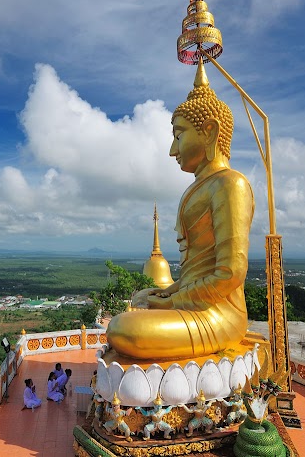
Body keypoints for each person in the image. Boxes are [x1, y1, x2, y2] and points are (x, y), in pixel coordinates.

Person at [107, 60, 254, 360]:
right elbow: (193, 273)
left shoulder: (231, 184)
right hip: (193, 304)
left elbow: (230, 274)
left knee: (125, 329)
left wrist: (175, 301)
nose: (173, 149)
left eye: (179, 135)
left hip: (219, 314)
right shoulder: (199, 188)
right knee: (138, 301)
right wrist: (169, 292)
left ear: (209, 132)